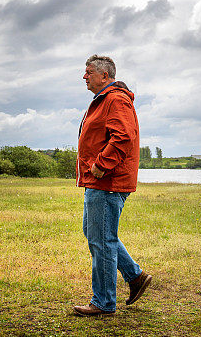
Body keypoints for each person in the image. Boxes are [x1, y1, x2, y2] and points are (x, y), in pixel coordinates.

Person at [73, 54, 152, 316]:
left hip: (107, 181)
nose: (84, 76)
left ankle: (104, 302)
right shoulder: (104, 100)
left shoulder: (115, 99)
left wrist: (100, 165)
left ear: (105, 76)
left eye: (89, 72)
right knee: (96, 234)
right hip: (99, 181)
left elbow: (123, 137)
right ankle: (135, 276)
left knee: (102, 240)